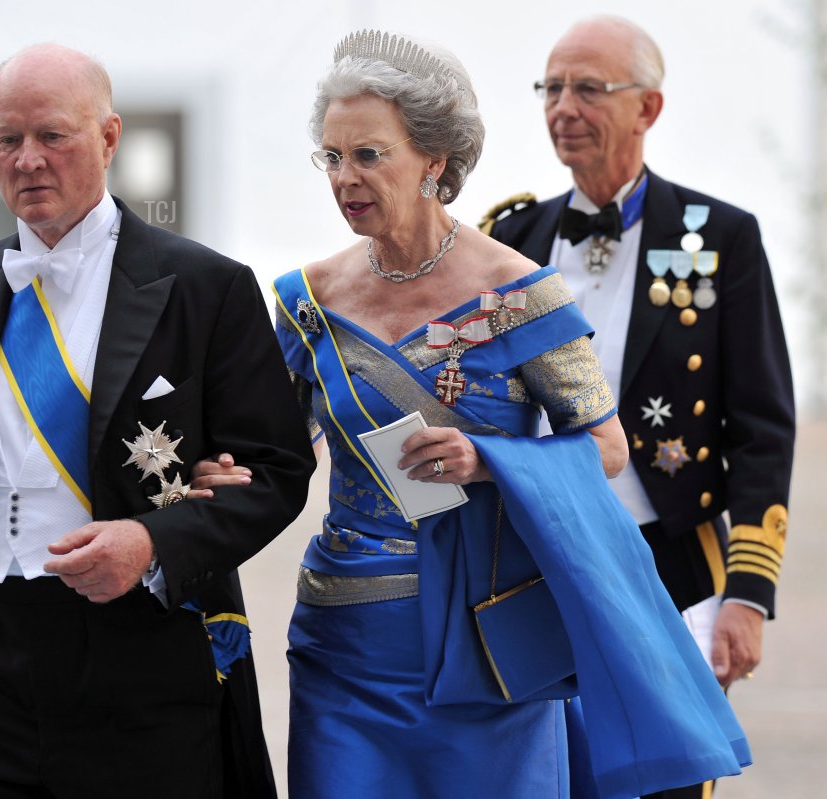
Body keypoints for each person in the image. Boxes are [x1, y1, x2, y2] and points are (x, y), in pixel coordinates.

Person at [195, 29, 750, 799]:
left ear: (434, 159)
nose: (344, 178)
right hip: (342, 644)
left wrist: (489, 459)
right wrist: (231, 473)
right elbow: (281, 450)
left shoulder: (522, 293)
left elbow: (607, 447)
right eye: (331, 156)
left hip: (488, 644)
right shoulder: (306, 299)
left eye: (368, 155)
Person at [0, 43, 315, 798]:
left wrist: (153, 538)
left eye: (52, 135)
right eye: (7, 138)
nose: (27, 160)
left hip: (141, 655)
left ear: (110, 137)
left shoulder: (206, 287)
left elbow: (278, 470)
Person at [482, 15, 796, 799]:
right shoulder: (511, 236)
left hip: (672, 558)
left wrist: (749, 595)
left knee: (667, 781)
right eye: (551, 88)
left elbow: (762, 428)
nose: (563, 107)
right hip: (538, 556)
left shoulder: (719, 238)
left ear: (648, 108)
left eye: (589, 89)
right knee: (542, 775)